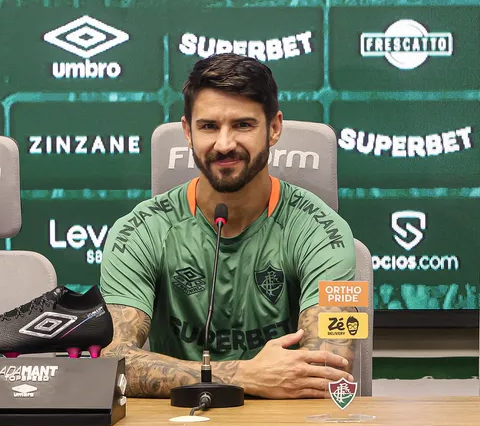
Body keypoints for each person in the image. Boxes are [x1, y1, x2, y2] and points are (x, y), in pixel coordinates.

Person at [100, 54, 358, 399]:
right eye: (208, 126)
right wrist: (244, 375)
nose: (224, 144)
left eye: (243, 125)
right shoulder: (138, 230)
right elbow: (111, 362)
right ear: (187, 132)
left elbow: (331, 365)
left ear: (275, 128)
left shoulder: (325, 232)